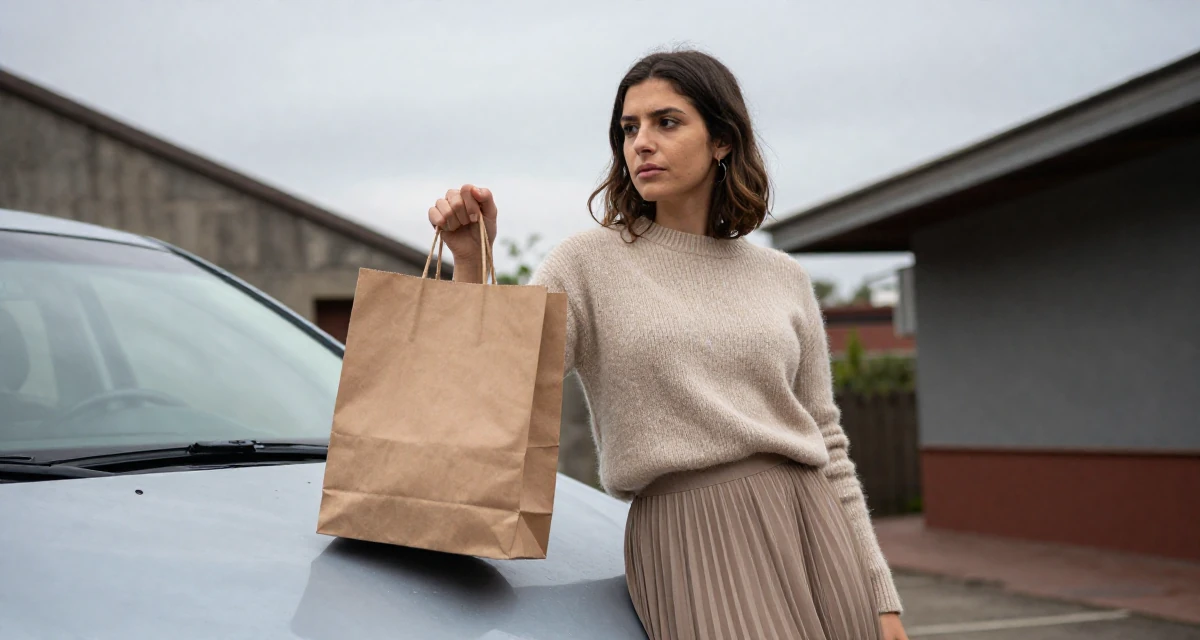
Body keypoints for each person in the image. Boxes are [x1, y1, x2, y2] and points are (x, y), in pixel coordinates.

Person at [426, 49, 909, 640]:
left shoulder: (783, 277)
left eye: (666, 122)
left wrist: (881, 596)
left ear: (722, 141)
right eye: (629, 129)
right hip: (690, 535)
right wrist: (472, 262)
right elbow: (499, 387)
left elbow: (827, 441)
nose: (641, 143)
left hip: (814, 528)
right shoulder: (587, 263)